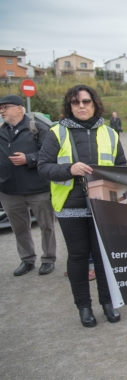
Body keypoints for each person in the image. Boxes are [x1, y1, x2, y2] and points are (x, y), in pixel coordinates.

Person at [37, 84, 126, 328]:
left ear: (95, 104)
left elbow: (122, 169)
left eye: (86, 101)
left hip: (102, 205)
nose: (82, 106)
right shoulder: (56, 132)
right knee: (77, 257)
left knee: (102, 256)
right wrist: (69, 169)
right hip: (70, 205)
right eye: (76, 103)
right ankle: (84, 307)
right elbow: (43, 166)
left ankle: (108, 303)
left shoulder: (110, 133)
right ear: (70, 106)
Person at [0, 94, 57, 276]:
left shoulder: (37, 128)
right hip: (9, 190)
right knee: (19, 228)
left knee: (46, 225)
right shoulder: (0, 131)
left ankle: (48, 258)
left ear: (19, 108)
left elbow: (50, 155)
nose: (2, 110)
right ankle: (27, 260)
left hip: (37, 188)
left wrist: (29, 159)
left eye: (5, 107)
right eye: (0, 108)